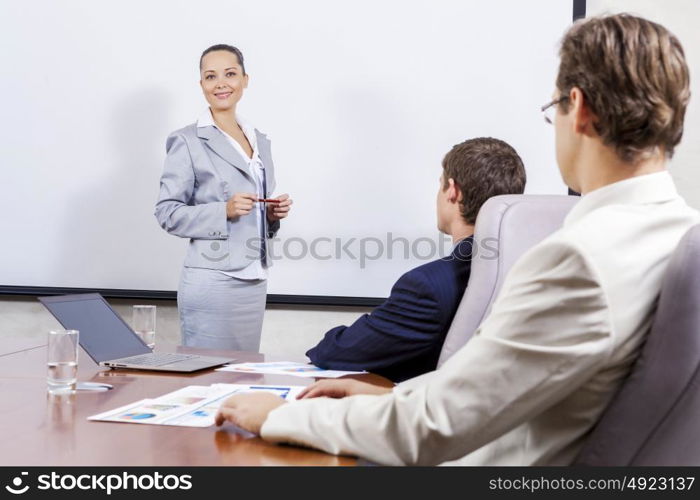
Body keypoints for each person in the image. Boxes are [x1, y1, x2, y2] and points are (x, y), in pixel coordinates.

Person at [214, 14, 700, 465]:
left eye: (554, 109)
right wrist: (394, 396)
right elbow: (520, 395)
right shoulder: (677, 231)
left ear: (580, 110)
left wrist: (279, 416)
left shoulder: (581, 258)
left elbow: (436, 427)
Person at [306, 138, 526, 382]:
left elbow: (337, 352)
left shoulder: (429, 286)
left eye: (440, 185)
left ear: (452, 191)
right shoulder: (527, 269)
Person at [154, 44, 292, 352]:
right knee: (208, 379)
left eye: (230, 74)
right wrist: (223, 211)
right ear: (201, 84)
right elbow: (167, 213)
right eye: (210, 76)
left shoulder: (260, 141)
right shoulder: (187, 140)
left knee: (244, 377)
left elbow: (254, 212)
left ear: (245, 79)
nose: (221, 83)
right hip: (212, 281)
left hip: (254, 278)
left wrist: (271, 217)